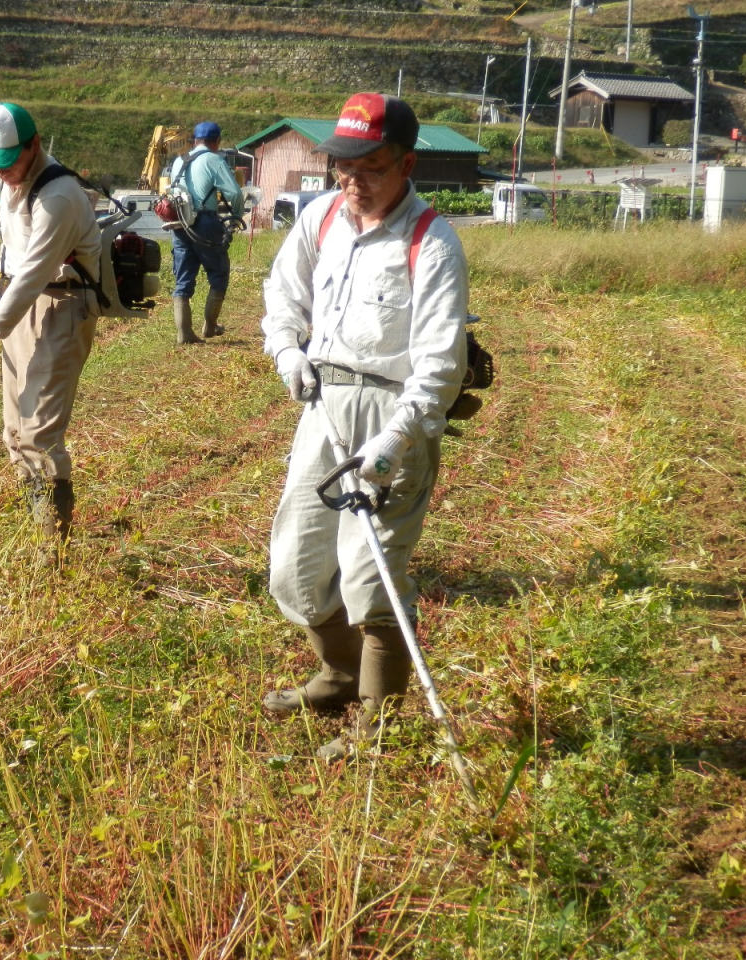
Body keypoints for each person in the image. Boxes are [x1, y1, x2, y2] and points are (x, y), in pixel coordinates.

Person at [258, 93, 469, 760]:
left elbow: (440, 364)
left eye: (371, 169)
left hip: (393, 418)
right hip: (323, 407)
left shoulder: (431, 242)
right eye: (341, 168)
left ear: (407, 164)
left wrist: (394, 440)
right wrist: (287, 350)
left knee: (368, 577)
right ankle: (339, 674)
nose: (352, 183)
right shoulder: (321, 218)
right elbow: (282, 294)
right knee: (294, 569)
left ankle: (376, 728)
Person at [0, 102, 102, 549]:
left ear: (34, 144)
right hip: (24, 304)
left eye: (9, 162)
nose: (2, 174)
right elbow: (12, 250)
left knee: (38, 434)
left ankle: (52, 553)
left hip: (62, 307)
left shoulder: (58, 197)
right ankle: (39, 529)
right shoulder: (8, 182)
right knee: (14, 430)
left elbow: (33, 274)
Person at [167, 121, 244, 345]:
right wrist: (236, 218)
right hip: (205, 222)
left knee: (183, 278)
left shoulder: (179, 160)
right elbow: (235, 194)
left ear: (195, 141)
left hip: (180, 222)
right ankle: (210, 326)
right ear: (216, 141)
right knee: (219, 273)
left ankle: (184, 333)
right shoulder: (214, 159)